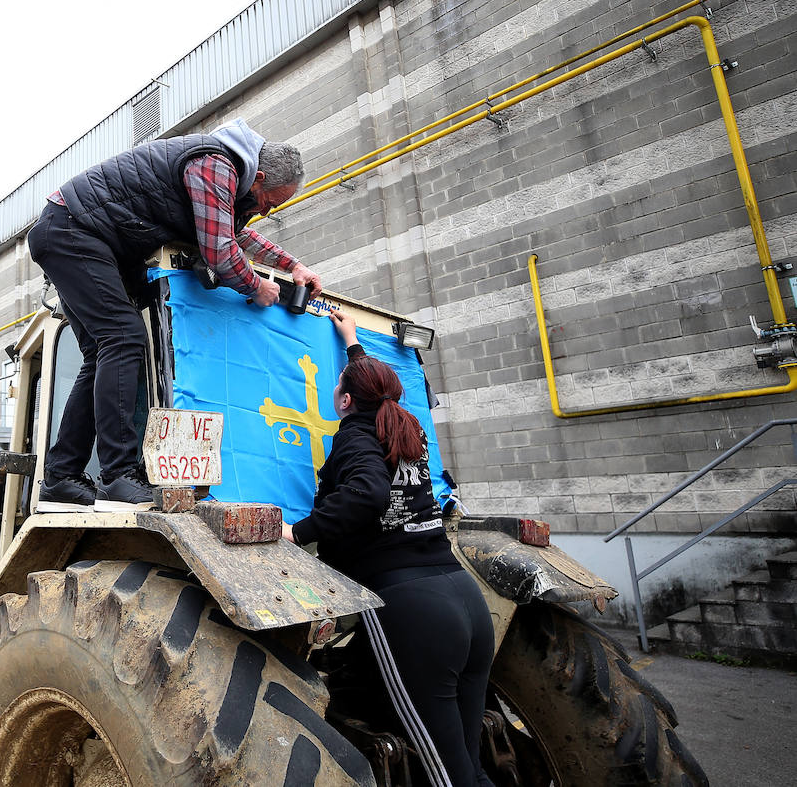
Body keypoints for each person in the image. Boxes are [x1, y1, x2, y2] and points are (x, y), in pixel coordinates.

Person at [27, 118, 321, 508]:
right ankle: (118, 474)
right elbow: (220, 250)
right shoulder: (216, 164)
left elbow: (234, 233)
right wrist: (256, 286)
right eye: (271, 201)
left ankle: (62, 475)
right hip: (74, 230)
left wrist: (292, 265)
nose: (266, 211)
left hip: (73, 230)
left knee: (103, 353)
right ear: (259, 177)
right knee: (124, 338)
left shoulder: (226, 175)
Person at [282, 310, 494, 787]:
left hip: (414, 612)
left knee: (449, 778)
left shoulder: (355, 437)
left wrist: (298, 532)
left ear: (344, 400)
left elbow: (366, 494)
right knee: (468, 767)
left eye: (338, 386)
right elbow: (372, 387)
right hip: (464, 600)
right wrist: (352, 342)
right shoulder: (405, 427)